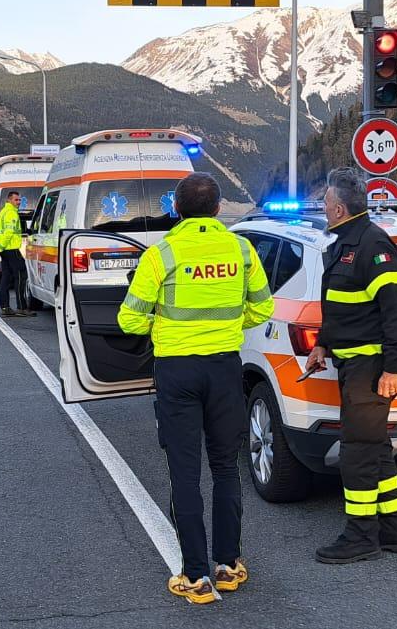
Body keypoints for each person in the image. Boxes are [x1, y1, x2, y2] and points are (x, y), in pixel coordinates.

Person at [117, 172, 273, 605]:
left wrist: (166, 329)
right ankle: (228, 565)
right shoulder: (241, 249)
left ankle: (196, 577)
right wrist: (224, 327)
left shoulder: (161, 253)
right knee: (226, 468)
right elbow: (263, 306)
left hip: (177, 371)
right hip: (225, 368)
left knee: (185, 473)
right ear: (219, 209)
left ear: (176, 209)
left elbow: (128, 320)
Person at [303, 167, 397, 564]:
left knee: (357, 453)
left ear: (336, 208)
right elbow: (341, 305)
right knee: (376, 449)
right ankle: (396, 531)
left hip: (371, 368)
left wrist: (394, 367)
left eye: (325, 202)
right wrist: (323, 345)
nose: (322, 206)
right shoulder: (344, 243)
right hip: (352, 364)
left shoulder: (374, 245)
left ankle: (360, 536)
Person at [0, 191, 32, 317]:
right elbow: (9, 232)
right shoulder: (11, 213)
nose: (19, 202)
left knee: (6, 278)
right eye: (16, 200)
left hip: (4, 250)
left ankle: (5, 307)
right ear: (9, 200)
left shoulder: (3, 212)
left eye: (19, 200)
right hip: (12, 249)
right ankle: (21, 307)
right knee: (21, 276)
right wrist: (1, 246)